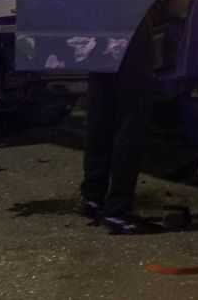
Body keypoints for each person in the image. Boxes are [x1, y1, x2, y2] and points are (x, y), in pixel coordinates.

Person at [79, 20, 159, 234]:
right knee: (131, 120)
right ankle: (118, 210)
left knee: (102, 114)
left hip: (100, 26)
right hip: (132, 23)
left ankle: (92, 198)